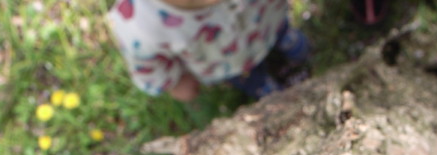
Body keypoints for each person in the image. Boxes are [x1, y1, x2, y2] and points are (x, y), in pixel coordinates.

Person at [107, 0, 309, 101]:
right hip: (229, 64)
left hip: (269, 22)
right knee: (259, 85)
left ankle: (296, 51)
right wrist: (174, 81)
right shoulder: (140, 23)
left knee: (289, 40)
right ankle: (276, 95)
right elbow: (146, 63)